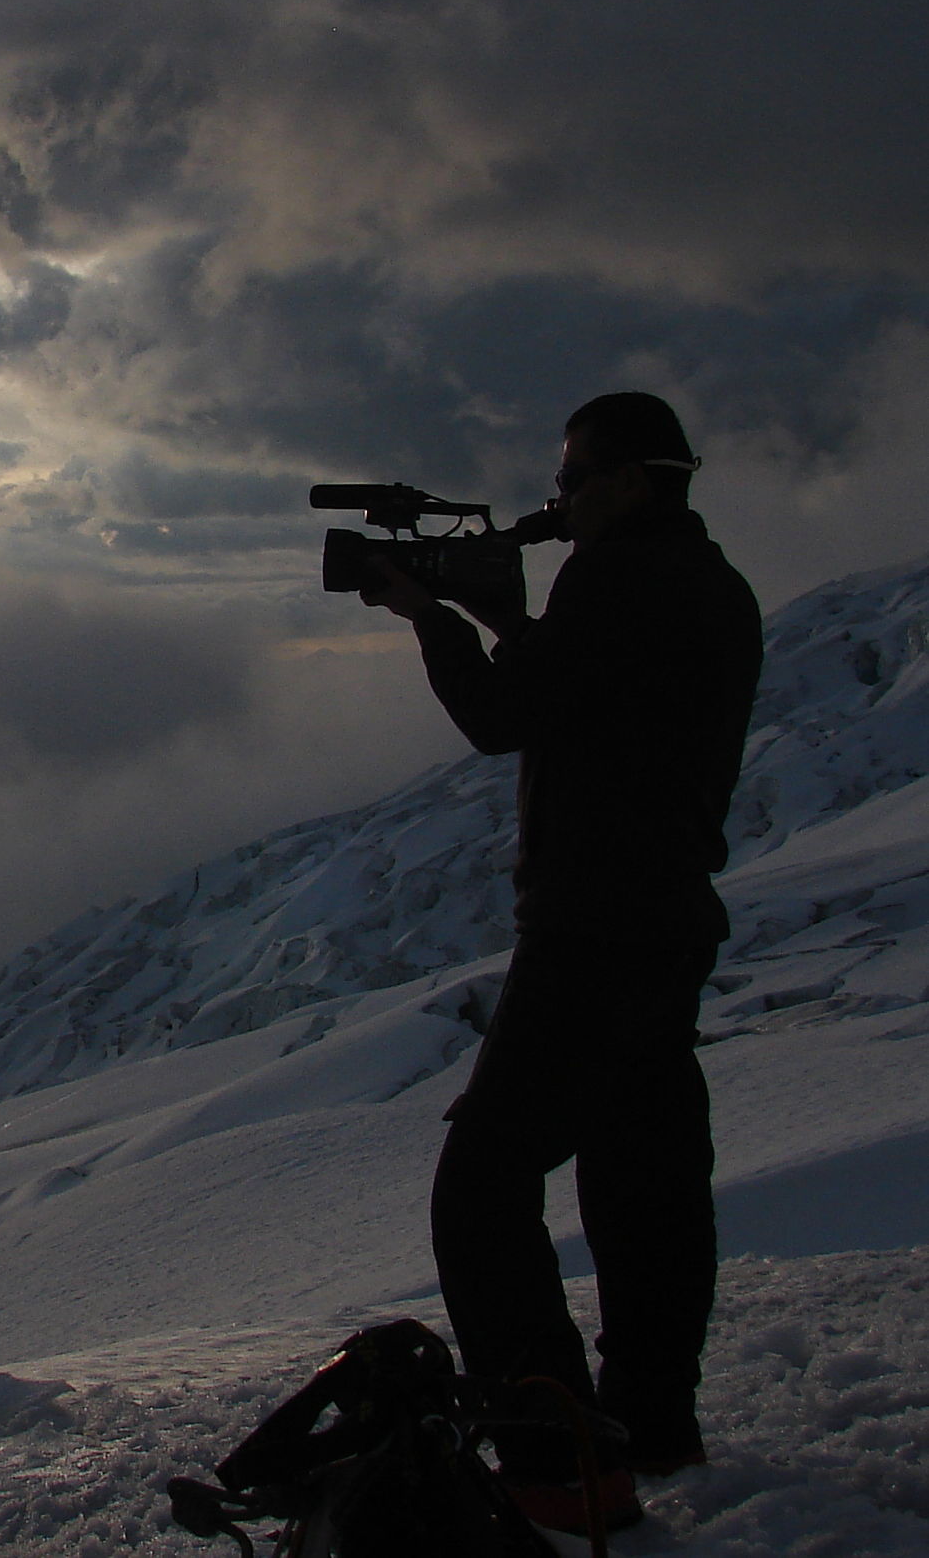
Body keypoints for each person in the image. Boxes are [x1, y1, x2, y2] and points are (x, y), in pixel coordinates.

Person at [358, 392, 762, 1535]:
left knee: (483, 1185)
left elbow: (504, 716)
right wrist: (505, 615)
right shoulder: (710, 586)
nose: (560, 498)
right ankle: (651, 1418)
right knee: (643, 1177)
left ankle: (556, 1460)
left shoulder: (617, 582)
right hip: (669, 918)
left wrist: (437, 615)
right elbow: (585, 707)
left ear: (633, 480)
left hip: (590, 927)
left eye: (575, 477)